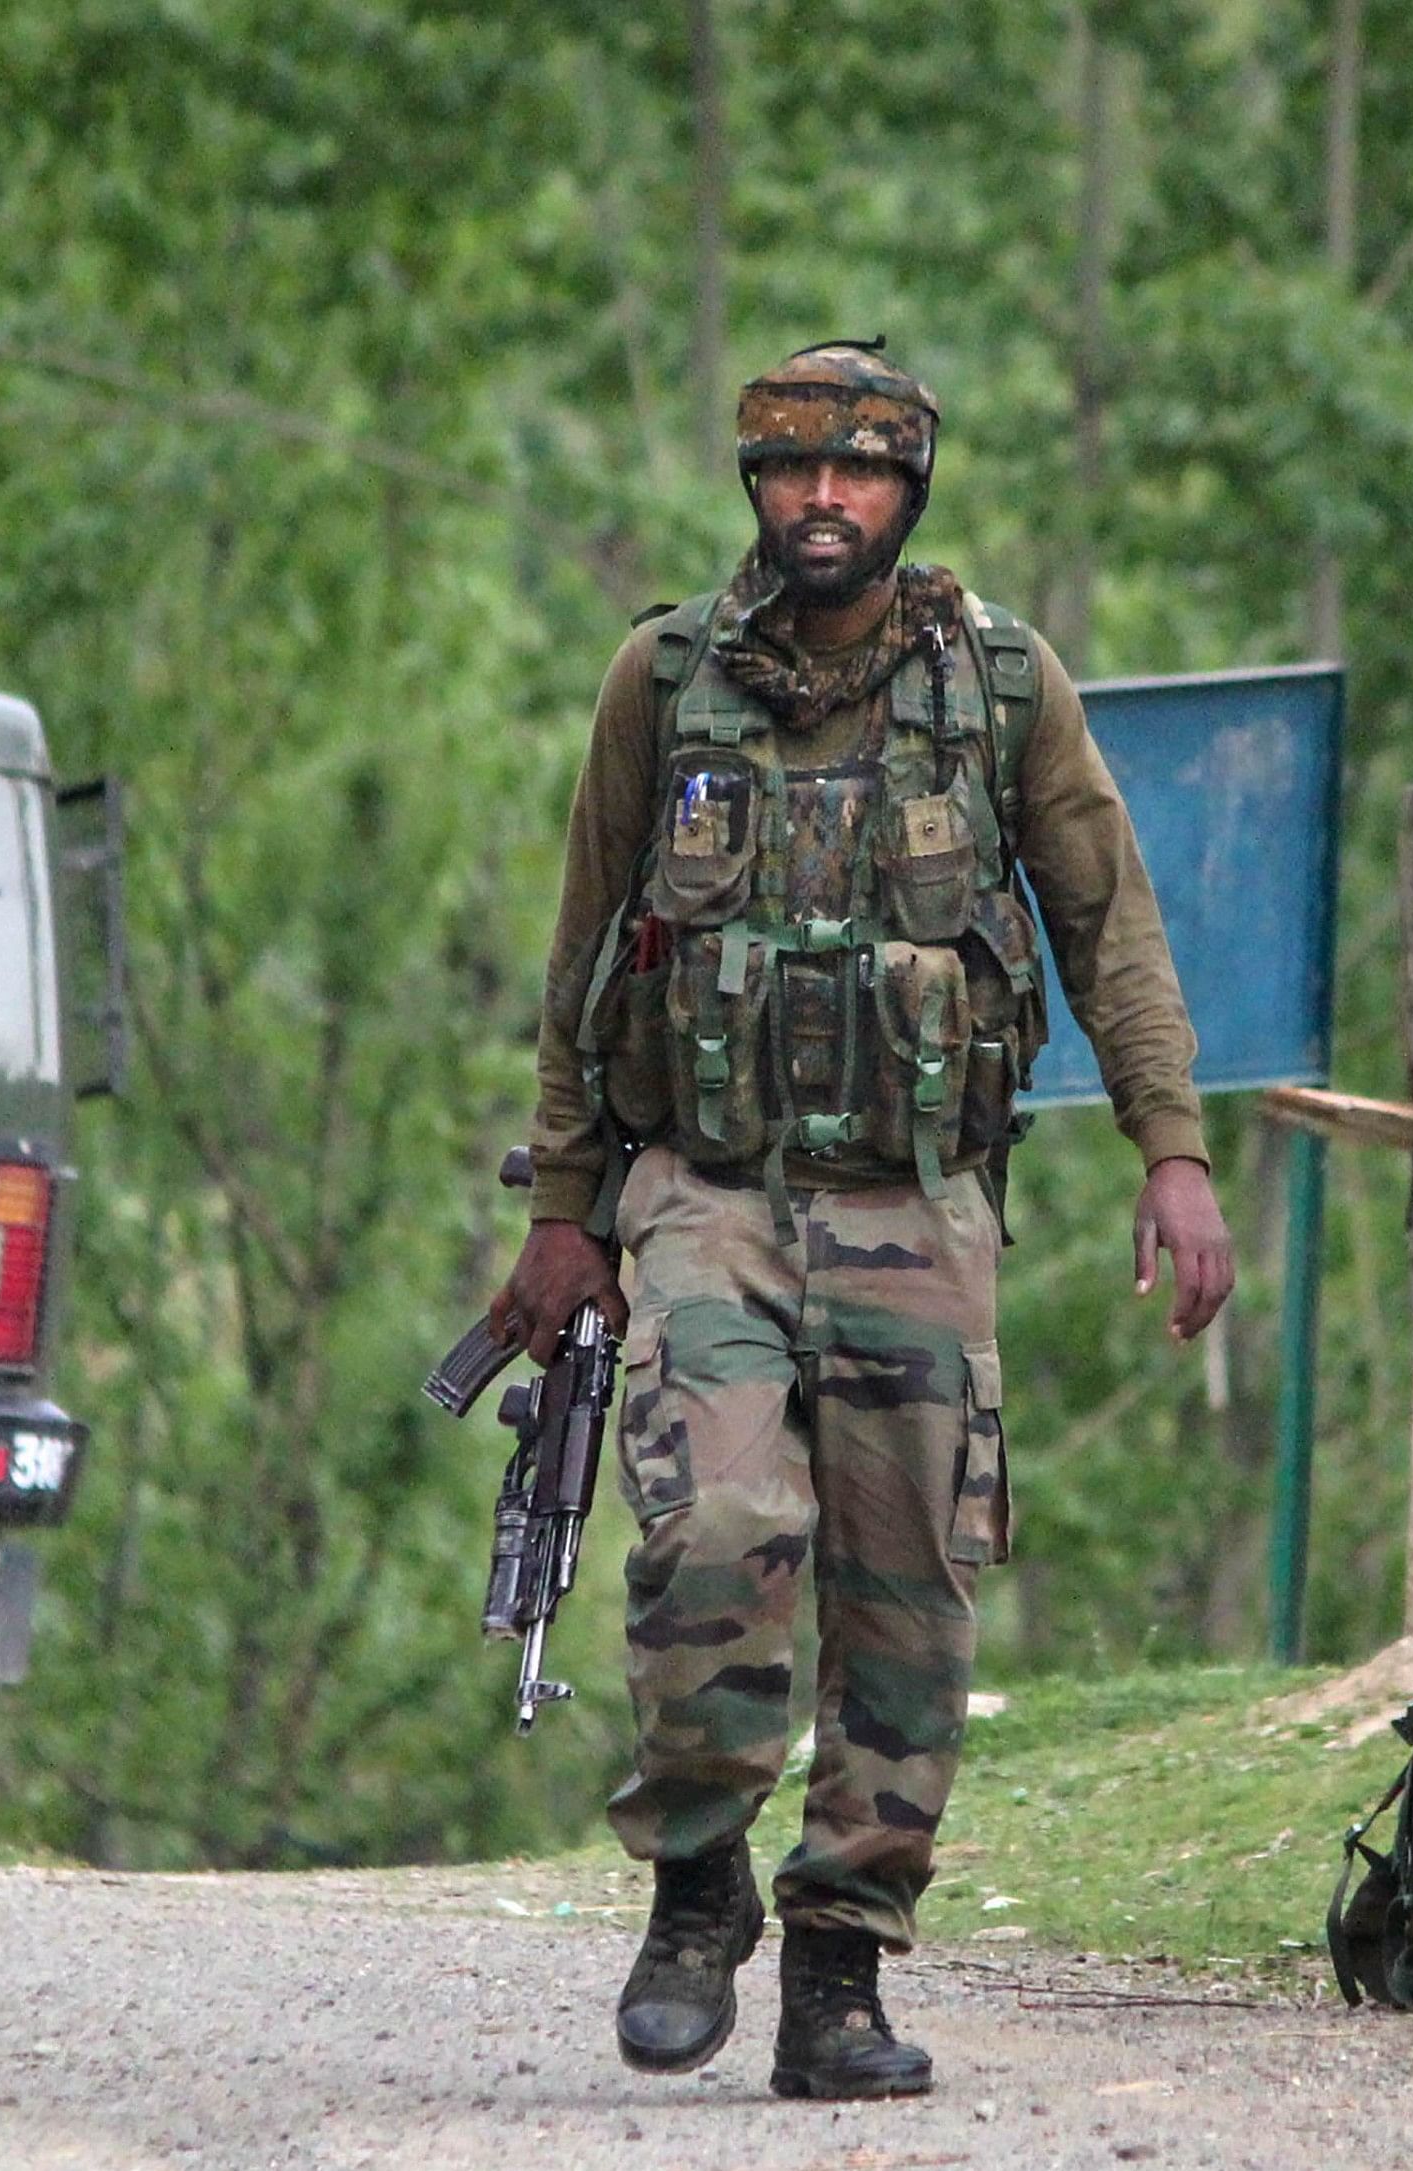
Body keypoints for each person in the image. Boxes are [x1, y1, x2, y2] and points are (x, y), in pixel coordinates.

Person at [496, 339, 1233, 2099]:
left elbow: (1106, 926)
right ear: (751, 485)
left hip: (917, 1203)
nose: (824, 498)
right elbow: (586, 949)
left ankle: (841, 1967)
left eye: (861, 471)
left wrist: (1174, 1149)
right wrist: (564, 1204)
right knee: (709, 1535)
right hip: (707, 1197)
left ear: (914, 488)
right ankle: (696, 1885)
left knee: (911, 1600)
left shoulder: (998, 686)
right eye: (791, 469)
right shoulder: (662, 681)